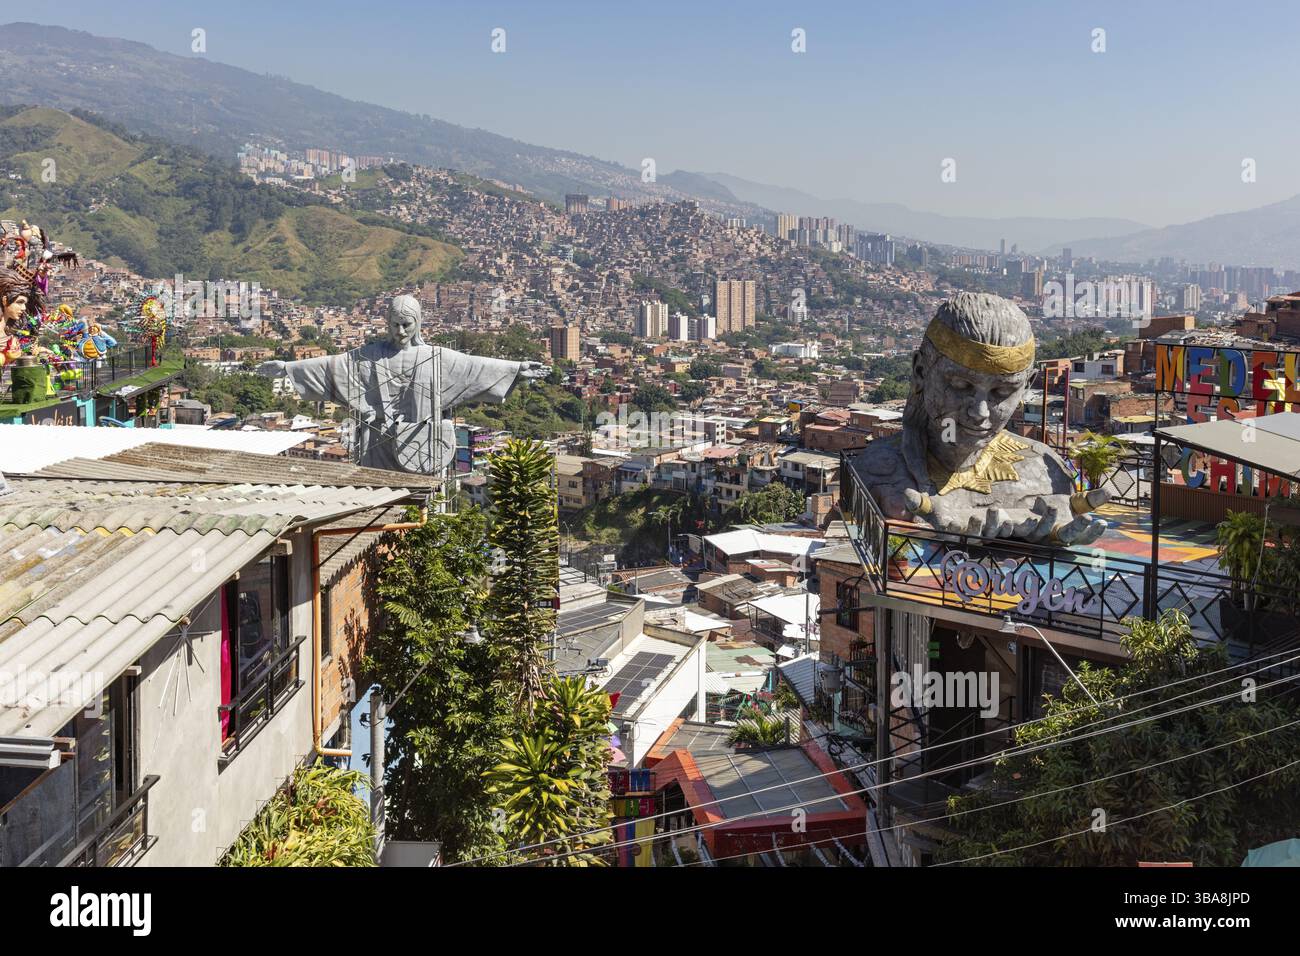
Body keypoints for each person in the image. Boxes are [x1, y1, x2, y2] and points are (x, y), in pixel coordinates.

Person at [851, 292, 1107, 545]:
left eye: (1002, 392)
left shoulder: (1048, 473)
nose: (980, 412)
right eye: (961, 385)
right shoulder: (874, 472)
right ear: (921, 372)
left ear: (1026, 387)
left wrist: (1052, 537)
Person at [259, 294, 548, 474]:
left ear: (418, 324)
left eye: (407, 324)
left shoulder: (436, 357)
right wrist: (287, 369)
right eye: (395, 324)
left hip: (421, 443)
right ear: (387, 323)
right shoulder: (368, 356)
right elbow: (333, 366)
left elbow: (475, 368)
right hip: (375, 443)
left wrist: (518, 369)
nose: (401, 331)